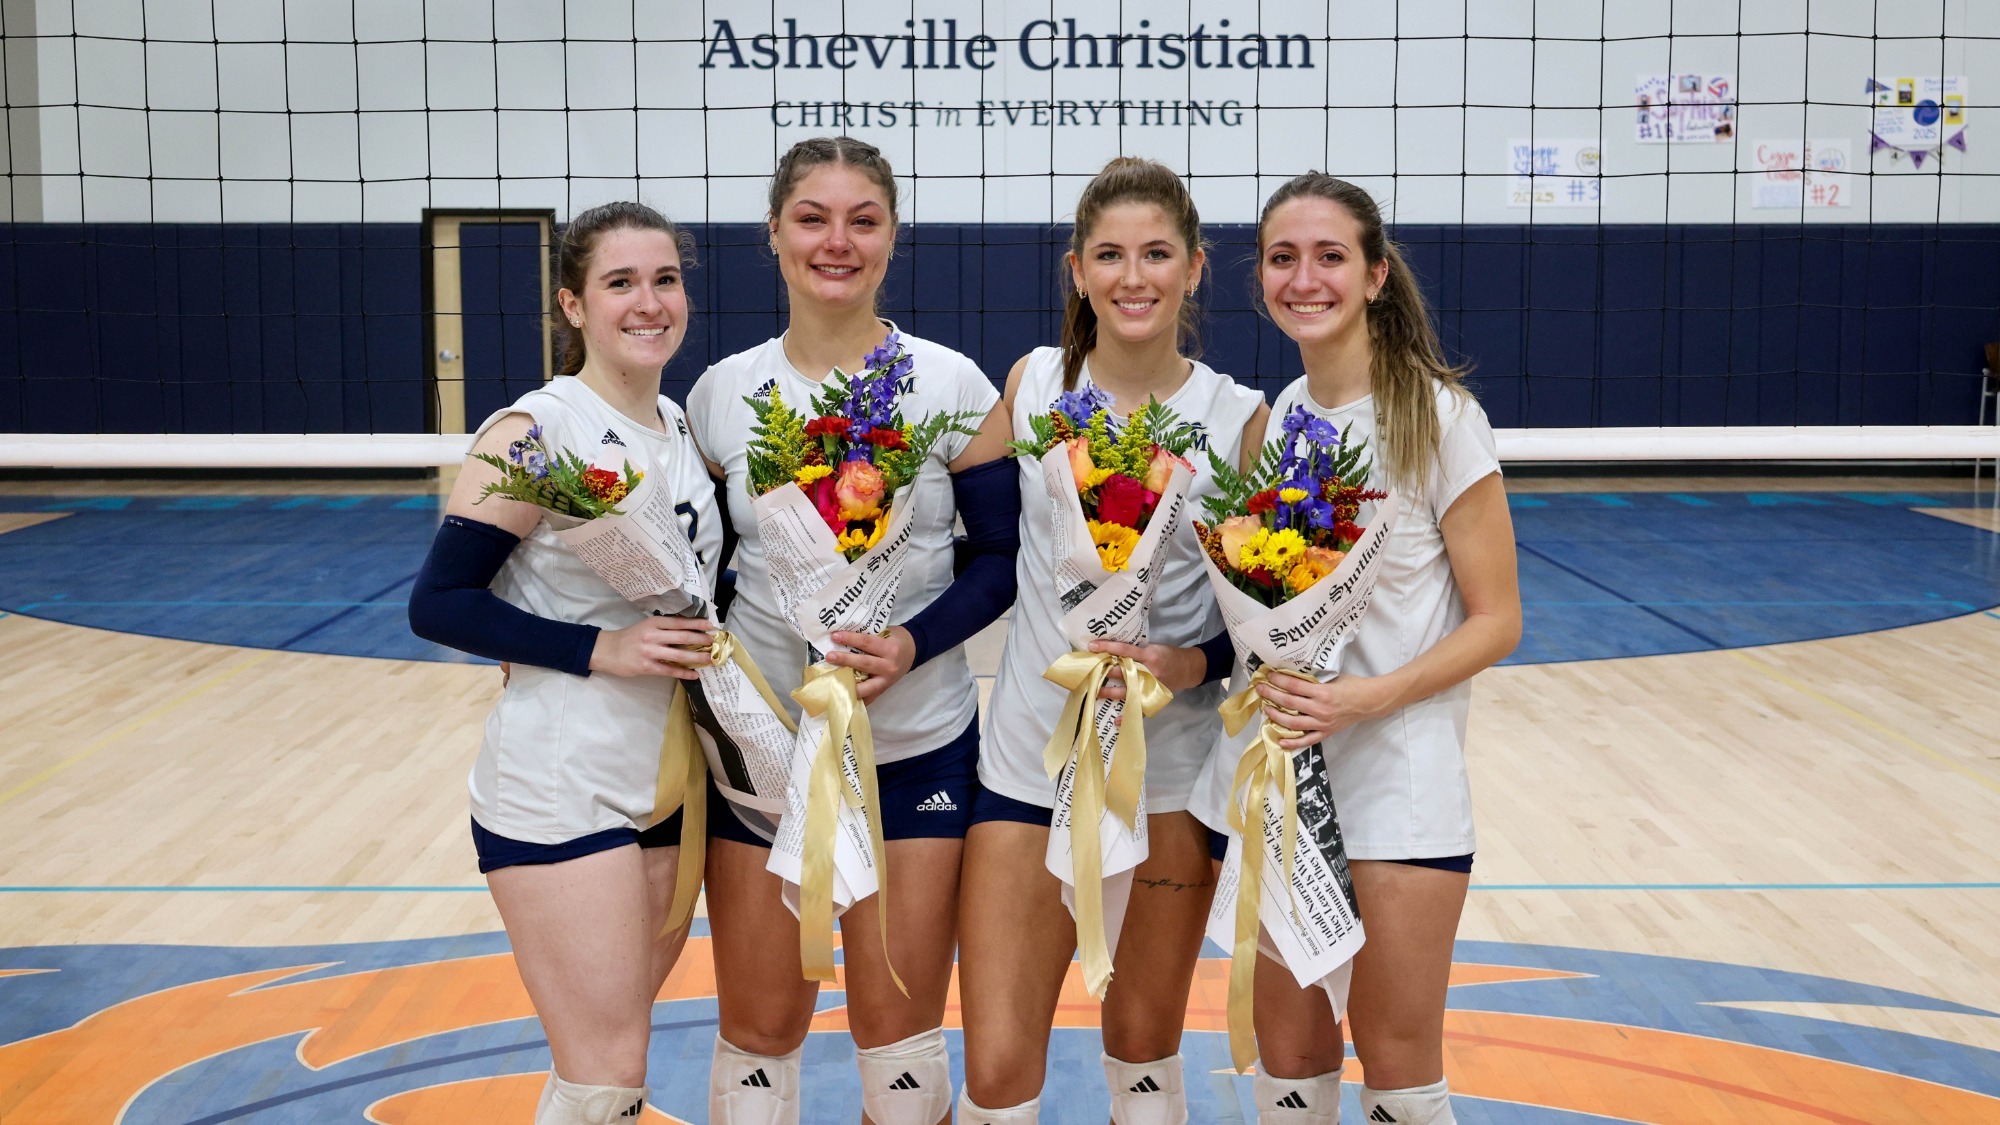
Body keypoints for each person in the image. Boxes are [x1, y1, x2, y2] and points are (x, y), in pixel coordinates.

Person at [684, 135, 1019, 1125]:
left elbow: (1001, 559)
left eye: (862, 220)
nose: (838, 241)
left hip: (911, 748)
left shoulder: (952, 385)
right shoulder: (718, 397)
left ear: (892, 236)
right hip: (762, 754)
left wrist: (911, 642)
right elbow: (692, 579)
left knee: (903, 1060)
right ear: (774, 234)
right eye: (813, 218)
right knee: (756, 1037)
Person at [1189, 173, 1521, 1125]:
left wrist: (1365, 700)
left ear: (1376, 274)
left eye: (1330, 256)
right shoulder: (1285, 412)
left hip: (1399, 790)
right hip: (1288, 783)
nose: (1305, 278)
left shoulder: (1439, 417)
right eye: (1284, 258)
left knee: (1400, 1065)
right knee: (1290, 1057)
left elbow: (1499, 619)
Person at [957, 156, 1269, 1125]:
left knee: (1142, 1050)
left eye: (1155, 254)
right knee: (998, 1070)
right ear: (1075, 270)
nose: (1132, 277)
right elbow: (961, 544)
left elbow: (1259, 619)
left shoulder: (1236, 419)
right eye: (1108, 256)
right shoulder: (1031, 385)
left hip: (1166, 771)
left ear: (1194, 266)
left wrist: (1194, 662)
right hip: (1025, 760)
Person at [407, 201, 723, 1125]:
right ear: (572, 304)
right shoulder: (535, 429)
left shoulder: (681, 426)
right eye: (620, 282)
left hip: (670, 778)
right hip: (562, 781)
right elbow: (440, 602)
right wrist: (602, 647)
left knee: (604, 1063)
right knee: (607, 1066)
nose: (649, 301)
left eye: (665, 278)